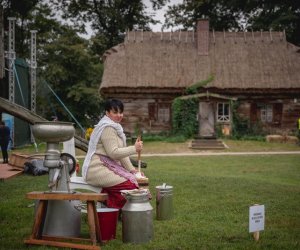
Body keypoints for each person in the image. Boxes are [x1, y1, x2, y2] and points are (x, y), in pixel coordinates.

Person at [82, 99, 145, 209]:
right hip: (96, 169)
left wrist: (133, 170)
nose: (119, 115)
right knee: (131, 187)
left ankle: (112, 205)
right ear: (107, 113)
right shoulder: (108, 128)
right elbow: (114, 154)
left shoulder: (115, 127)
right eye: (115, 112)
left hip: (105, 166)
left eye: (121, 112)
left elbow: (121, 154)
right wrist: (134, 148)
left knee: (137, 180)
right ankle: (108, 203)